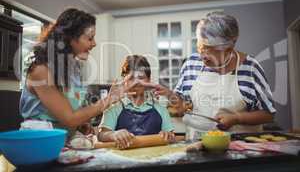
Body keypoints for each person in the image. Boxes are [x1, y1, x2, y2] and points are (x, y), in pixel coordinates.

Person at [153, 11, 275, 139]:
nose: (203, 56)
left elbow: (268, 113)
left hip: (239, 148)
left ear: (229, 48)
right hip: (196, 144)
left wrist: (237, 118)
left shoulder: (251, 68)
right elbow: (181, 108)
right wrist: (169, 94)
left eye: (210, 50)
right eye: (200, 47)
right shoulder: (191, 64)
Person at [19, 8, 133, 136]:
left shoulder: (73, 69)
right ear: (71, 38)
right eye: (90, 38)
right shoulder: (41, 70)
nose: (94, 43)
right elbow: (69, 118)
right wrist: (109, 99)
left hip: (62, 141)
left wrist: (81, 124)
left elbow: (71, 115)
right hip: (38, 142)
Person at [98, 55, 175, 149]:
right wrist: (113, 135)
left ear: (149, 80)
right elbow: (101, 135)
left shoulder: (160, 108)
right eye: (131, 78)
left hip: (154, 160)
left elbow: (171, 137)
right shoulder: (114, 106)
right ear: (124, 80)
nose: (136, 83)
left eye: (141, 77)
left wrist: (168, 135)